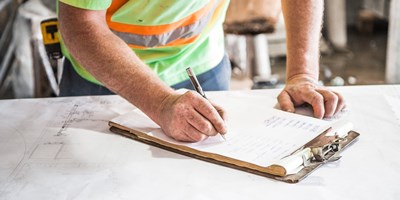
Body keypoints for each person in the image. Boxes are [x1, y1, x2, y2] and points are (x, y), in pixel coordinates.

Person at [58, 0, 345, 142]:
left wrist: (302, 75)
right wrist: (160, 102)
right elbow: (81, 25)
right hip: (107, 80)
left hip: (203, 65)